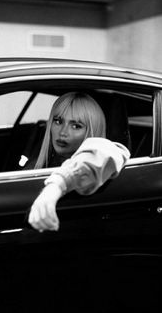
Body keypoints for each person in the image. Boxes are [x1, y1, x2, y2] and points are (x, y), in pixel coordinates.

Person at [27, 92, 130, 232]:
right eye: (58, 121)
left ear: (92, 131)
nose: (63, 132)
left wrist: (56, 187)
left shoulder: (102, 151)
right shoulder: (37, 163)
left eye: (76, 126)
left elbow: (107, 151)